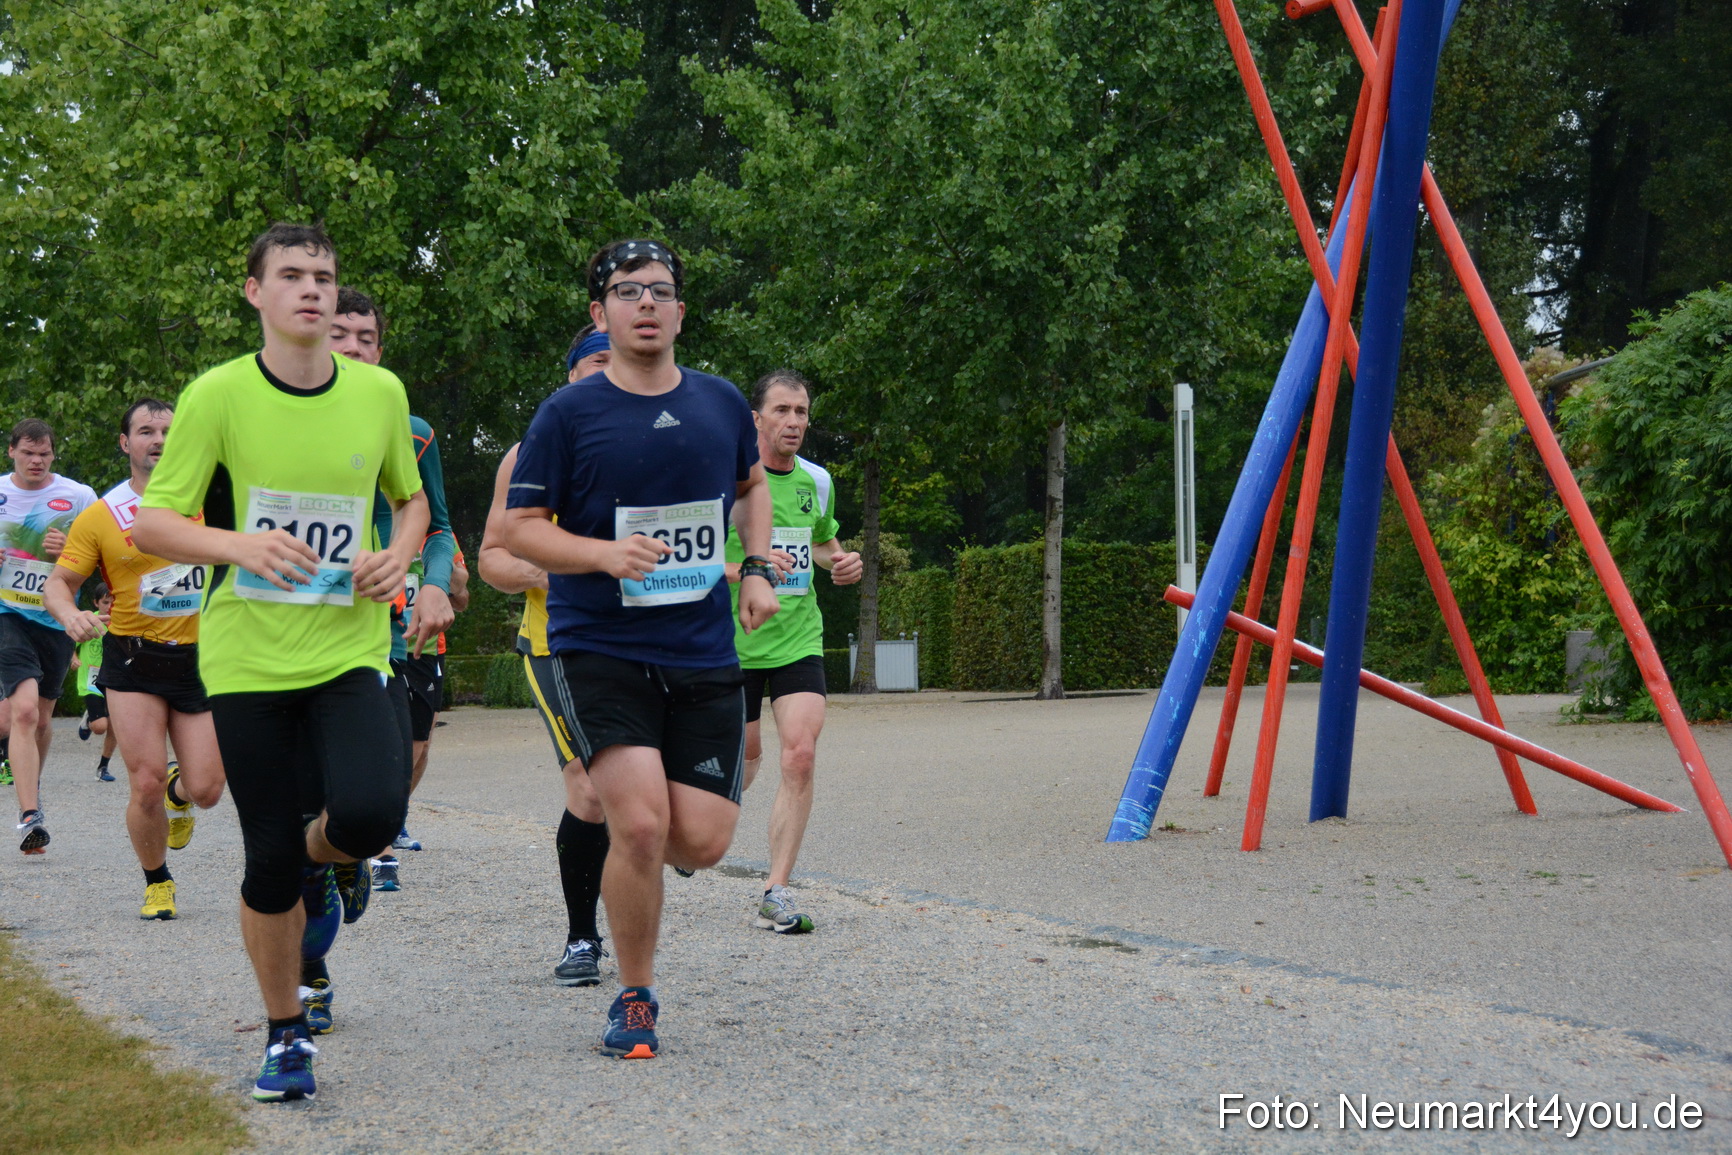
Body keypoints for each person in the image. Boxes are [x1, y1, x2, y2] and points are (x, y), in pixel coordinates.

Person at [133, 221, 428, 1102]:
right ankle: (286, 1034)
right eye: (291, 275)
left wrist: (399, 554)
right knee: (264, 859)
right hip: (249, 659)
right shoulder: (216, 395)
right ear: (255, 292)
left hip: (347, 646)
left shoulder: (378, 392)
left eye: (325, 277)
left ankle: (320, 857)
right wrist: (240, 546)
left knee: (373, 814)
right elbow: (155, 521)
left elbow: (409, 504)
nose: (311, 289)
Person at [503, 239, 779, 1059]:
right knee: (644, 826)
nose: (647, 304)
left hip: (701, 652)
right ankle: (634, 994)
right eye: (628, 292)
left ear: (682, 311)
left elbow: (751, 485)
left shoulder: (722, 402)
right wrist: (599, 556)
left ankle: (653, 867)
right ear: (601, 312)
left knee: (704, 840)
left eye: (661, 291)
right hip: (600, 649)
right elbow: (519, 528)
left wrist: (757, 568)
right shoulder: (566, 415)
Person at [48, 398, 229, 919]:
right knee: (144, 780)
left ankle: (182, 796)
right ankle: (157, 882)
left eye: (169, 431)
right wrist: (69, 615)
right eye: (146, 431)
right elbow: (60, 583)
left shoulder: (212, 501)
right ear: (127, 443)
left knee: (208, 789)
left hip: (204, 659)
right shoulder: (101, 515)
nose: (159, 440)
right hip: (133, 660)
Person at [479, 323, 613, 986]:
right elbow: (493, 559)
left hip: (642, 642)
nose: (609, 371)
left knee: (642, 791)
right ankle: (582, 937)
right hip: (555, 643)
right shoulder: (528, 454)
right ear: (571, 375)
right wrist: (554, 573)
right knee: (589, 788)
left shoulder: (659, 445)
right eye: (595, 363)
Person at [328, 286, 457, 895]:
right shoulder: (265, 412)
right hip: (290, 624)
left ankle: (365, 844)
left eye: (367, 338)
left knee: (393, 765)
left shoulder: (414, 432)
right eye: (339, 336)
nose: (354, 350)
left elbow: (437, 526)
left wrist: (433, 585)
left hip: (385, 626)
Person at [725, 370, 862, 934]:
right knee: (743, 760)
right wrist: (748, 569)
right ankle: (696, 826)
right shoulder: (724, 483)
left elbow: (822, 541)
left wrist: (841, 561)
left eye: (802, 412)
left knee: (799, 754)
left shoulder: (817, 482)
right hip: (730, 642)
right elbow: (692, 561)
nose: (794, 422)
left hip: (798, 637)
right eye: (782, 410)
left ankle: (775, 890)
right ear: (755, 419)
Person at [1, 419, 99, 853]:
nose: (36, 460)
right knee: (22, 712)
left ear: (53, 455)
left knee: (41, 719)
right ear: (12, 452)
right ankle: (29, 816)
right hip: (6, 613)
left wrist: (71, 551)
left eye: (44, 453)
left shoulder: (80, 497)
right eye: (28, 452)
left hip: (56, 618)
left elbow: (99, 555)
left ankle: (31, 792)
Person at [70, 584, 119, 780]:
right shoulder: (90, 621)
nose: (110, 606)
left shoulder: (121, 622)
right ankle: (89, 718)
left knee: (116, 726)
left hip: (115, 678)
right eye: (105, 602)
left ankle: (103, 768)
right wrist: (73, 658)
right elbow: (71, 642)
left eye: (113, 602)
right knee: (100, 727)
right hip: (91, 679)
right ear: (96, 603)